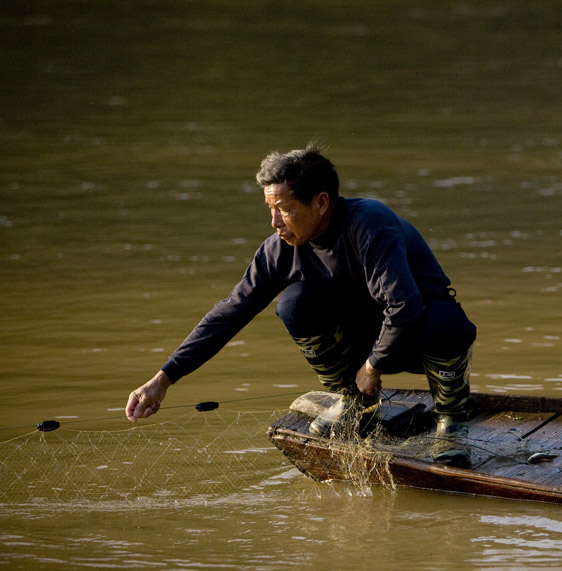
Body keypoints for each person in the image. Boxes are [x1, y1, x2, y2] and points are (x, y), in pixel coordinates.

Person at [125, 144, 477, 466]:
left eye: (285, 210)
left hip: (419, 338)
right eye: (270, 210)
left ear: (321, 203)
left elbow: (405, 307)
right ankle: (355, 402)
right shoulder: (280, 249)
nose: (275, 222)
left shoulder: (370, 223)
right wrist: (163, 379)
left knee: (444, 322)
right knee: (293, 303)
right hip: (362, 340)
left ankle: (451, 418)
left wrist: (372, 366)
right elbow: (229, 313)